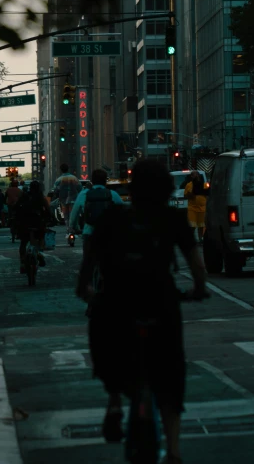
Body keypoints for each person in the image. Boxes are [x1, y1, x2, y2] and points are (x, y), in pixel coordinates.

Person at [87, 159, 207, 463]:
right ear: (166, 188)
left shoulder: (114, 218)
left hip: (118, 304)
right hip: (161, 302)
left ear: (133, 188)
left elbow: (89, 263)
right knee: (171, 372)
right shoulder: (172, 218)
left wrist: (85, 291)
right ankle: (175, 452)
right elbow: (196, 264)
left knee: (103, 336)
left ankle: (114, 401)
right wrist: (198, 289)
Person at [70, 168, 126, 300]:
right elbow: (124, 213)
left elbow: (74, 213)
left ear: (92, 181)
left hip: (90, 234)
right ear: (105, 181)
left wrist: (73, 227)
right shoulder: (112, 194)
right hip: (109, 235)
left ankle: (89, 291)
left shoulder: (84, 194)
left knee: (88, 263)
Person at [14, 180, 49, 273]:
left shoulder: (24, 196)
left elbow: (16, 208)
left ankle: (22, 262)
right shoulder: (41, 197)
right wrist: (49, 218)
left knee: (23, 243)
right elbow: (48, 210)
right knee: (41, 237)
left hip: (24, 223)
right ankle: (40, 253)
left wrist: (17, 219)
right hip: (37, 223)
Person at [54, 163, 82, 228]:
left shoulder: (59, 180)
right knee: (73, 215)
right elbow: (80, 188)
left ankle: (68, 229)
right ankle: (74, 228)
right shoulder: (74, 178)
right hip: (73, 200)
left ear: (61, 170)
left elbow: (55, 190)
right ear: (68, 169)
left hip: (63, 201)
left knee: (66, 216)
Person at [184, 170, 207, 243]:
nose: (194, 176)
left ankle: (201, 239)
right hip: (192, 208)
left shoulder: (205, 184)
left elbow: (208, 195)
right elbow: (185, 196)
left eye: (196, 175)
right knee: (192, 225)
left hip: (202, 208)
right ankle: (191, 239)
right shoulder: (188, 185)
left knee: (201, 225)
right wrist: (191, 194)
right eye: (193, 175)